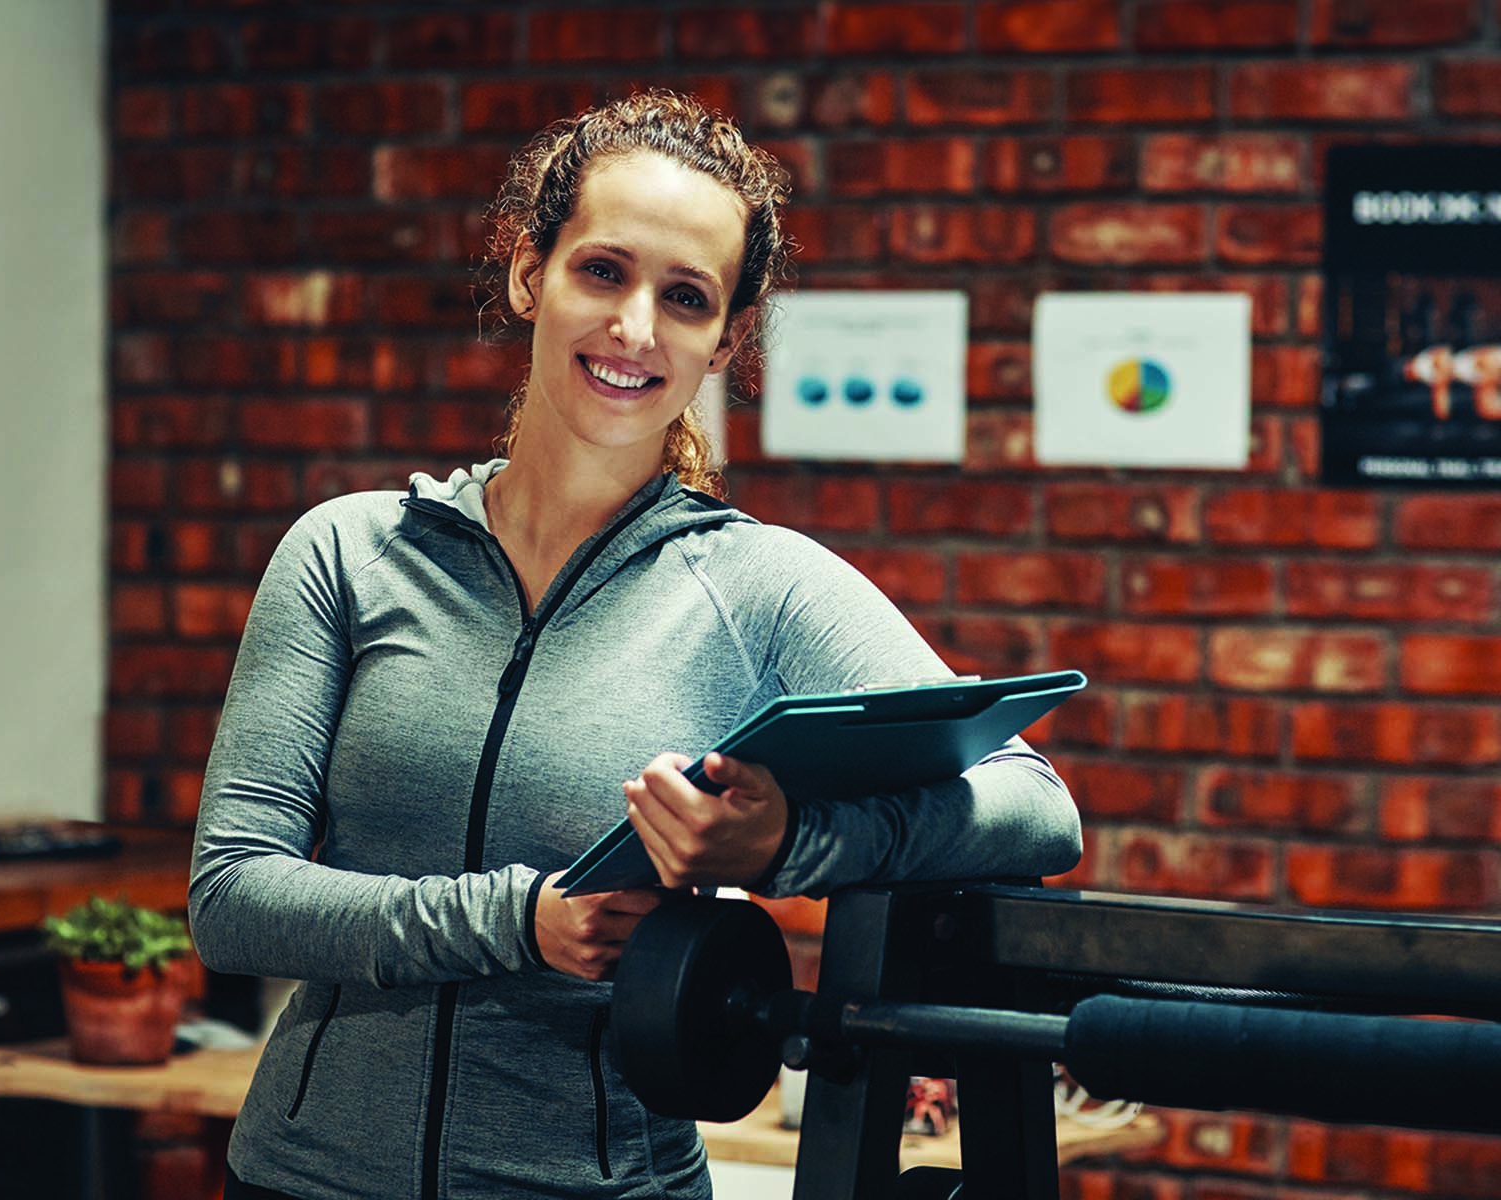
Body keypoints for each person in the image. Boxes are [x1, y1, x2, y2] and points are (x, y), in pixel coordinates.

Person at [189, 90, 1082, 1200]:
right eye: (603, 271)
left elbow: (1035, 805)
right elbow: (231, 897)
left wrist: (782, 847)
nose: (635, 330)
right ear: (530, 273)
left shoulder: (756, 583)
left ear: (728, 338)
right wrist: (520, 920)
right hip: (304, 1179)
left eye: (686, 297)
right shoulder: (349, 554)